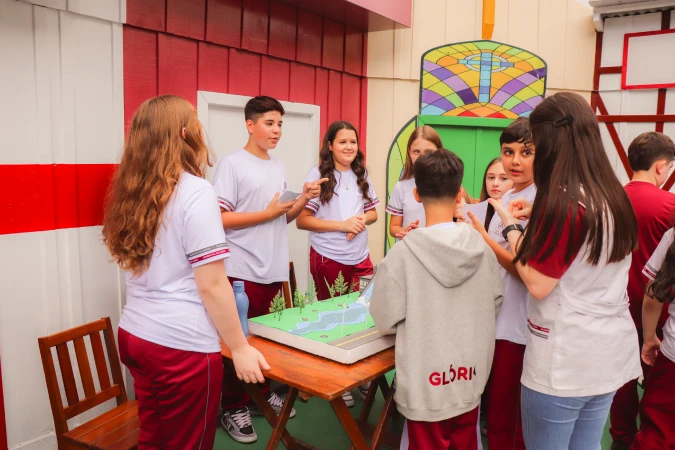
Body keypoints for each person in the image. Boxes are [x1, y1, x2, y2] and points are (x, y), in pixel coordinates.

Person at [102, 95, 269, 448]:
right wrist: (239, 348)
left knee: (154, 439)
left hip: (135, 335)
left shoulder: (133, 190)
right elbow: (211, 283)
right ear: (183, 133)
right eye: (195, 123)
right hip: (178, 345)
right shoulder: (196, 191)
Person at [489, 92, 641, 450]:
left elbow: (537, 282)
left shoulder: (564, 202)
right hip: (606, 354)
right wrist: (538, 212)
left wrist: (510, 227)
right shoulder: (612, 195)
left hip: (564, 359)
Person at [370, 149, 503, 450]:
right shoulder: (483, 250)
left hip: (425, 387)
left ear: (416, 195)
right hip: (469, 380)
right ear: (459, 195)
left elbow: (383, 318)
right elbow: (495, 301)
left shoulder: (401, 256)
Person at [212, 96, 326, 443]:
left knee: (265, 340)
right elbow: (220, 218)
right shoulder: (232, 164)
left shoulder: (277, 165)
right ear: (250, 125)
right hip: (242, 268)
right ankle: (233, 406)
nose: (276, 130)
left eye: (280, 124)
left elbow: (282, 219)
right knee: (238, 342)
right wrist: (268, 213)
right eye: (269, 123)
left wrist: (303, 198)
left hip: (274, 268)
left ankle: (259, 396)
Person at [465, 118, 533, 450]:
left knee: (507, 415)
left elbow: (524, 270)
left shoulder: (537, 198)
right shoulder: (510, 196)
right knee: (496, 410)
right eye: (508, 152)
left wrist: (483, 237)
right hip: (496, 314)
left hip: (516, 322)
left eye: (526, 152)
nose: (515, 161)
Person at [609, 132, 675, 450]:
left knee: (620, 378)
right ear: (660, 166)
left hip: (614, 303)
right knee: (658, 387)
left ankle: (621, 437)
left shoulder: (608, 200)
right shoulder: (669, 205)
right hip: (655, 308)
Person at [631, 228, 675, 449]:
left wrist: (649, 339)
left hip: (672, 358)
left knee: (659, 430)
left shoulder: (673, 235)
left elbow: (653, 295)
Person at [386, 125, 442, 239]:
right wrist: (406, 231)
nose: (422, 158)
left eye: (428, 152)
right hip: (411, 247)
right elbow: (394, 227)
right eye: (416, 151)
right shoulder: (401, 187)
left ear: (439, 152)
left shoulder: (448, 183)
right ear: (409, 153)